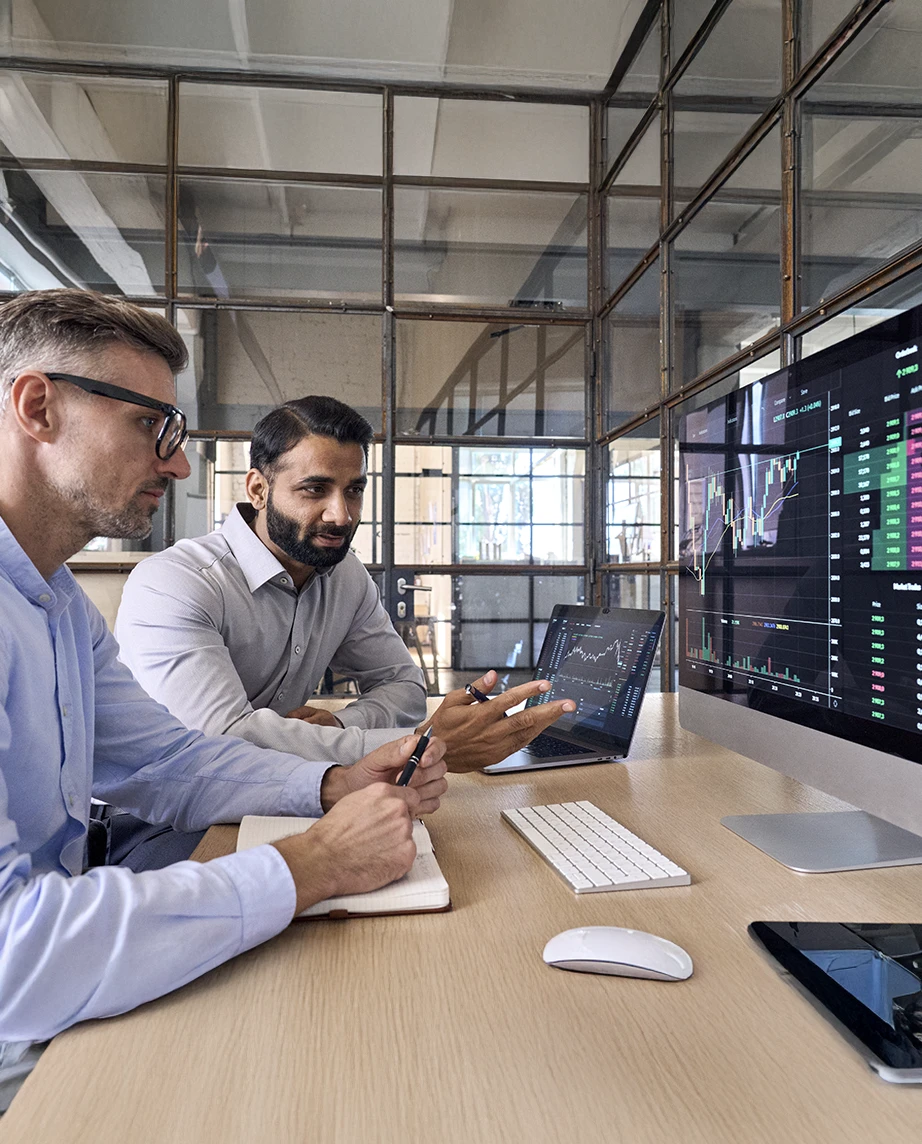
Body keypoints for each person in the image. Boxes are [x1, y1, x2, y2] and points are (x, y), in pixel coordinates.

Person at [0, 289, 447, 1107]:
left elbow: (166, 760)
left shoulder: (56, 603)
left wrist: (331, 782)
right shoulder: (152, 584)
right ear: (38, 408)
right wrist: (314, 863)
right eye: (150, 424)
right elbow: (13, 959)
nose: (176, 465)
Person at [115, 395, 577, 777]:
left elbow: (403, 685)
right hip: (157, 814)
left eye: (354, 490)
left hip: (280, 791)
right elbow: (221, 740)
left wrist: (340, 723)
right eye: (314, 489)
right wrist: (419, 745)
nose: (342, 515)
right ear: (258, 490)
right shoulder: (175, 584)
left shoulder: (344, 574)